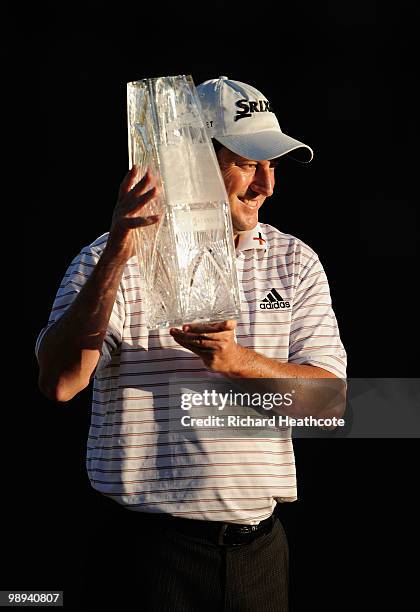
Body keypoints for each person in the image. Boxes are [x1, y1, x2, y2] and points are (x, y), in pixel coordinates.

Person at [36, 76, 347, 610]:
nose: (267, 185)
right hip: (147, 558)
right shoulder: (106, 260)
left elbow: (330, 404)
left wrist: (236, 361)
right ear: (195, 163)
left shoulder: (294, 262)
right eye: (249, 163)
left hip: (259, 558)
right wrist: (117, 256)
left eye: (273, 165)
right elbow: (59, 383)